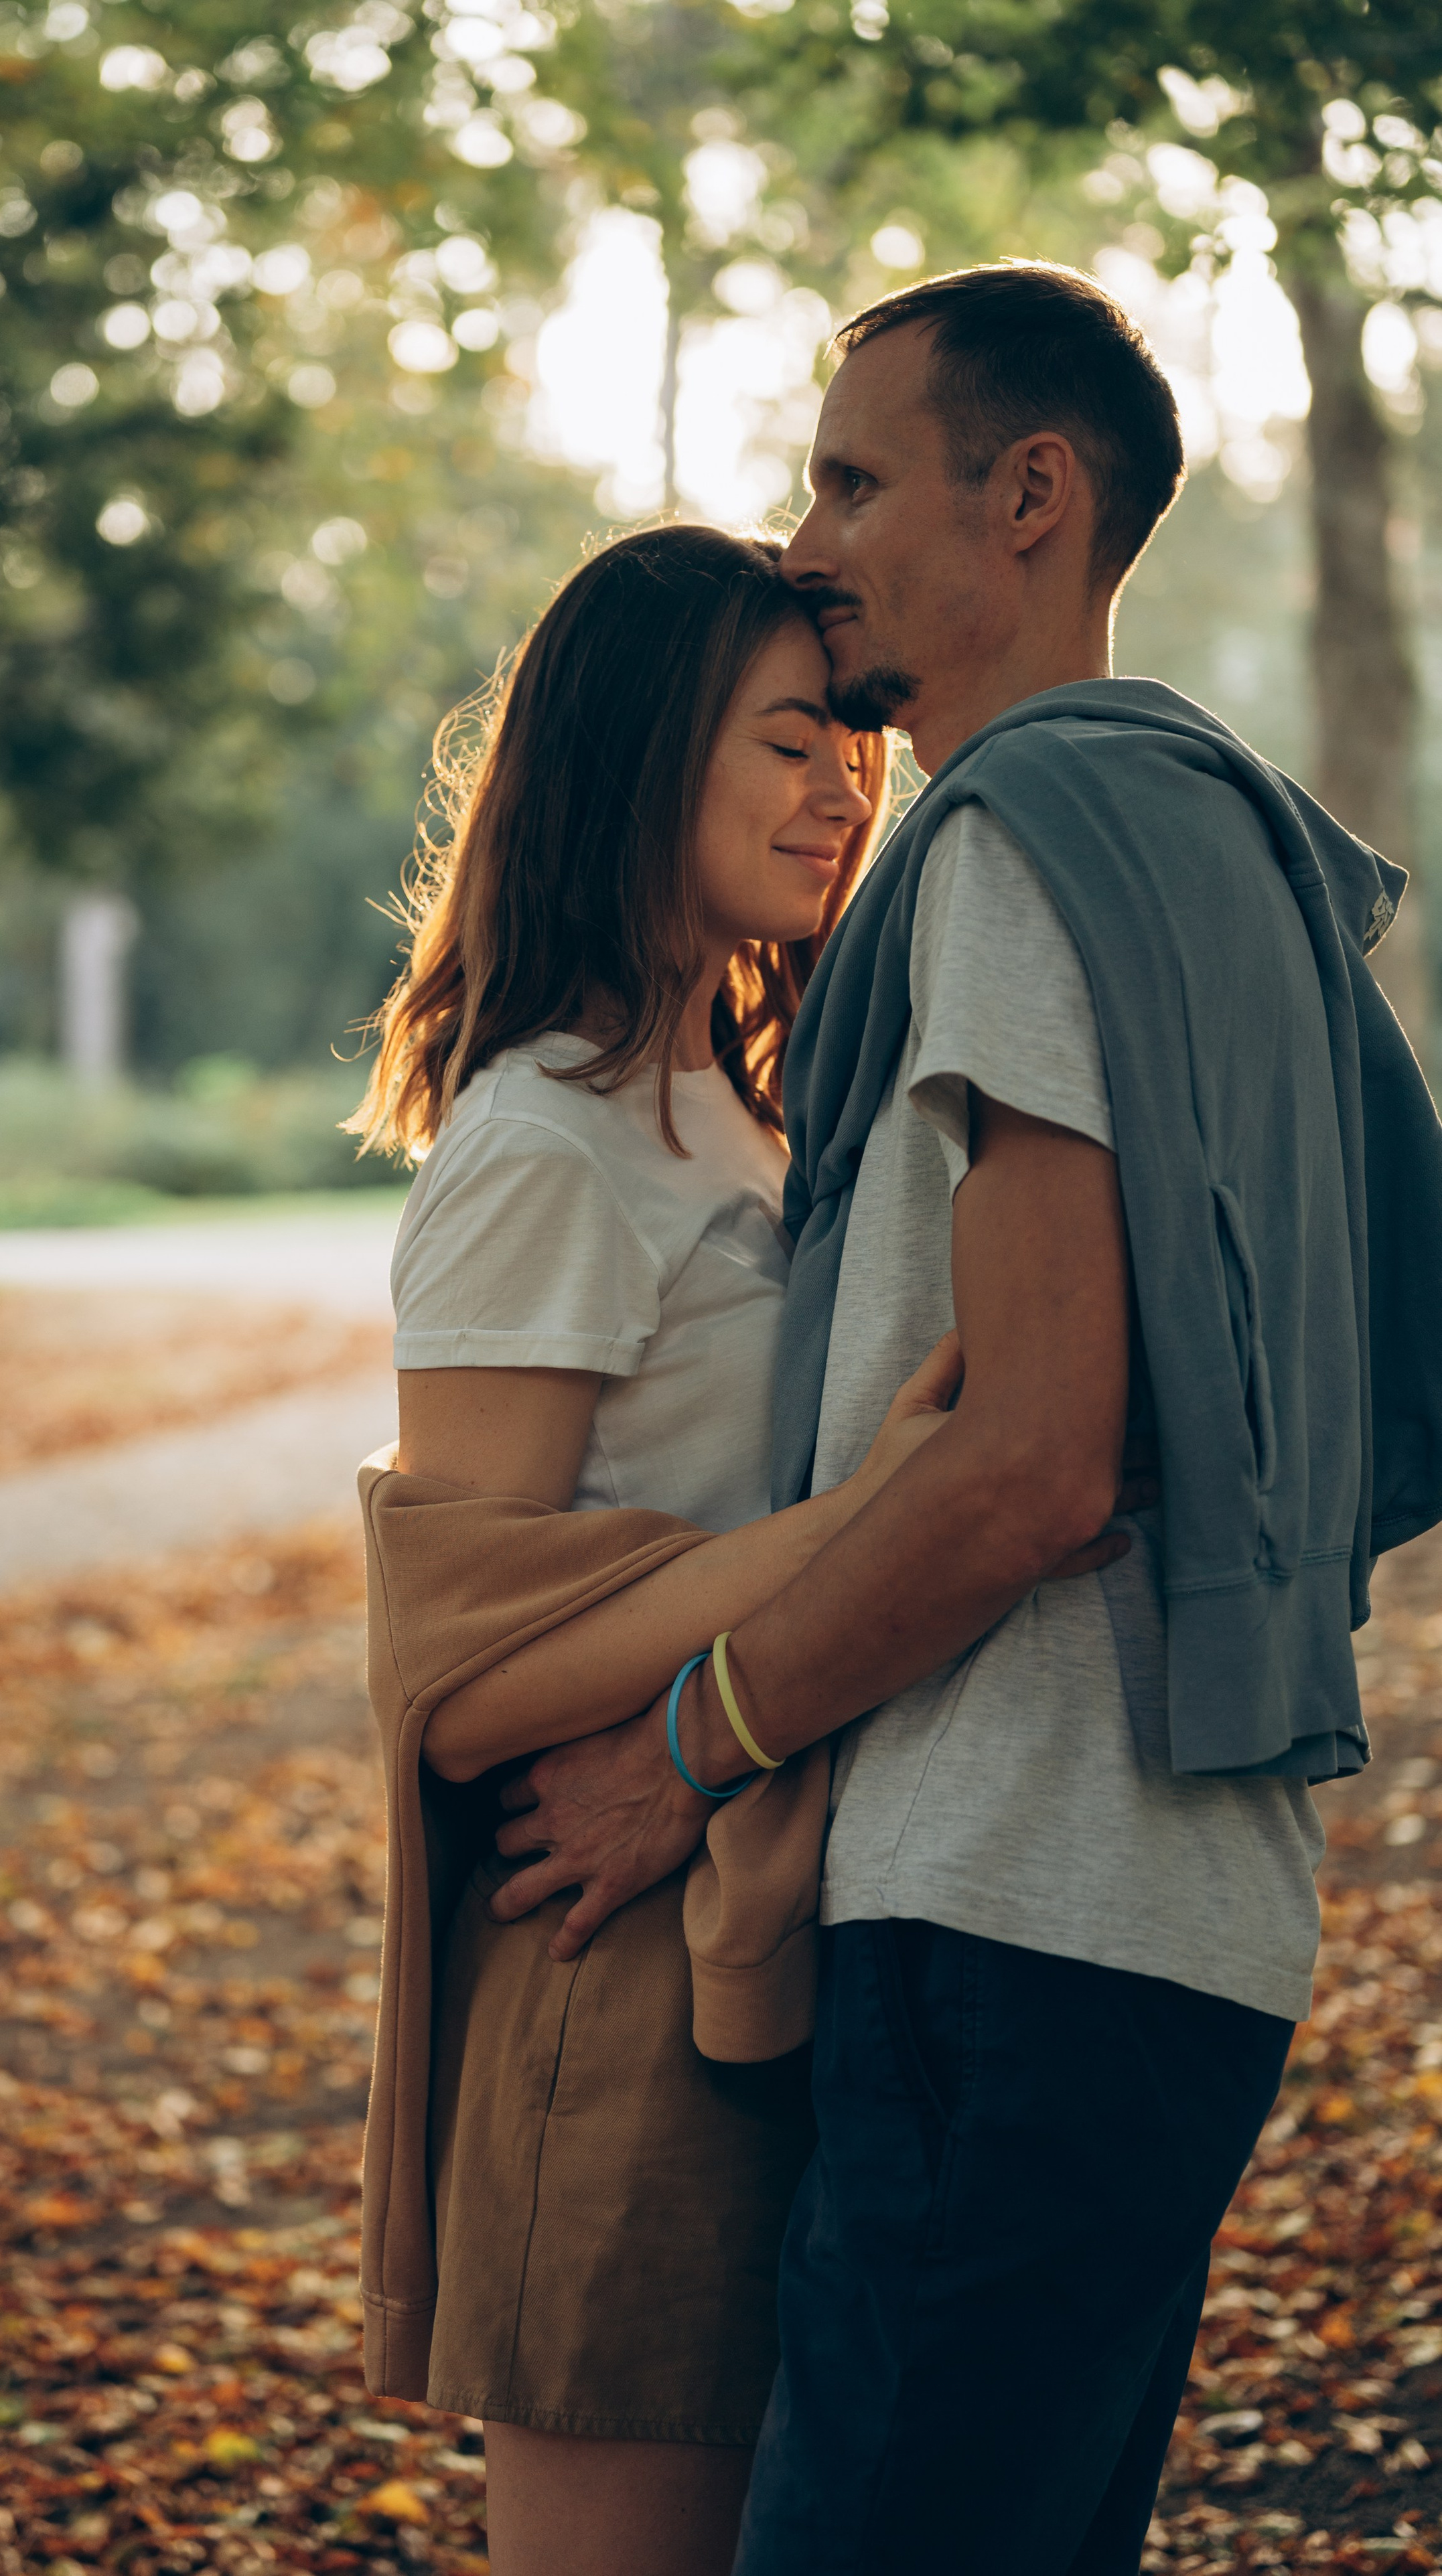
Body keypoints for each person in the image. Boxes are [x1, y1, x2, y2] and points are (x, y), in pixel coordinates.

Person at [487, 263, 1442, 2574]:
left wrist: (686, 1744)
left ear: (1031, 497)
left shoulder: (1023, 834)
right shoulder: (1234, 854)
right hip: (1195, 1922)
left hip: (1013, 1910)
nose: (804, 540)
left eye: (850, 478)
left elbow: (1025, 1462)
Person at [349, 520, 1141, 2576]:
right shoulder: (541, 1144)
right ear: (639, 761)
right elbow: (464, 1679)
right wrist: (871, 1514)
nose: (843, 787)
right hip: (600, 1960)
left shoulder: (750, 1108)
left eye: (852, 738)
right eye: (791, 740)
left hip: (758, 1920)